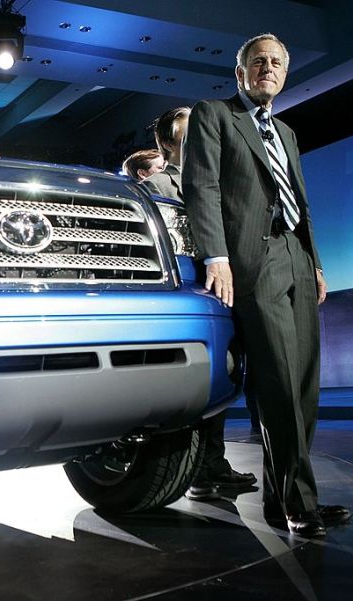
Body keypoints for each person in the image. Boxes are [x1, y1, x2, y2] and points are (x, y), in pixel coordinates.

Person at [181, 33, 349, 536]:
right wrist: (217, 256)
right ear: (241, 72)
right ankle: (301, 505)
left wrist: (315, 263)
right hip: (255, 260)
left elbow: (302, 201)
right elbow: (202, 186)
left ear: (284, 73)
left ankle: (285, 502)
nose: (267, 69)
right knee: (275, 380)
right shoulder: (214, 115)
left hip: (296, 256)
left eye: (276, 63)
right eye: (258, 62)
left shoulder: (287, 132)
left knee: (303, 385)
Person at [139, 106, 256, 500]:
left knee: (223, 378)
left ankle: (210, 466)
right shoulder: (157, 187)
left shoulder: (222, 182)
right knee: (198, 381)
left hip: (228, 288)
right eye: (191, 136)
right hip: (191, 292)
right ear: (169, 144)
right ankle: (196, 468)